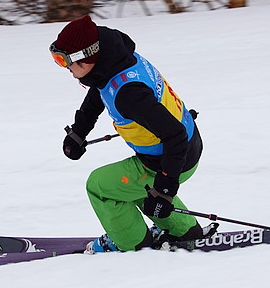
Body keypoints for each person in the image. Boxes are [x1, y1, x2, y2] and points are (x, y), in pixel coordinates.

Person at [49, 15, 204, 253]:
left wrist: (164, 191)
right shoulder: (114, 60)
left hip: (173, 159)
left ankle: (132, 243)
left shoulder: (129, 95)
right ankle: (184, 231)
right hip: (183, 149)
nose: (65, 68)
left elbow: (175, 136)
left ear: (86, 57)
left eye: (64, 60)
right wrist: (79, 131)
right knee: (131, 185)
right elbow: (100, 90)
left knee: (100, 186)